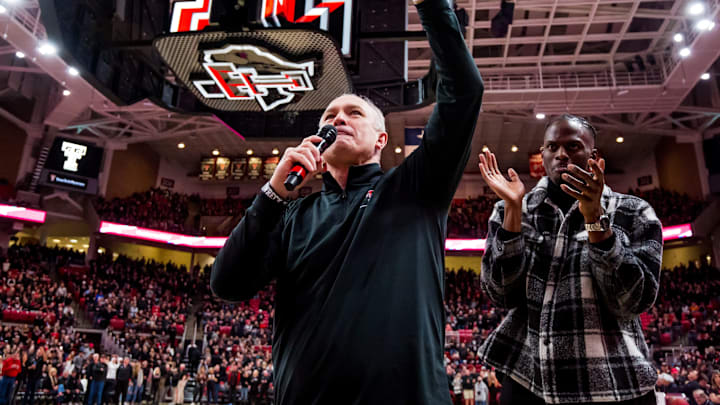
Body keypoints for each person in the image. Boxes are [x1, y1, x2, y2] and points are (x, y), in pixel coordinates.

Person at [209, 0, 484, 403]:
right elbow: (227, 284)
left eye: (353, 113)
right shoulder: (292, 215)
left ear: (381, 140)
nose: (337, 119)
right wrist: (272, 195)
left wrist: (431, 6)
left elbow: (464, 91)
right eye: (328, 117)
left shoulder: (414, 189)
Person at [476, 114, 663, 405]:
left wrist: (595, 220)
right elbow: (500, 294)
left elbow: (631, 302)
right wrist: (513, 212)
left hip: (614, 383)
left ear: (594, 155)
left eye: (573, 146)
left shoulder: (634, 211)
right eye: (552, 147)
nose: (561, 154)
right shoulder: (509, 209)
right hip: (529, 380)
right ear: (543, 154)